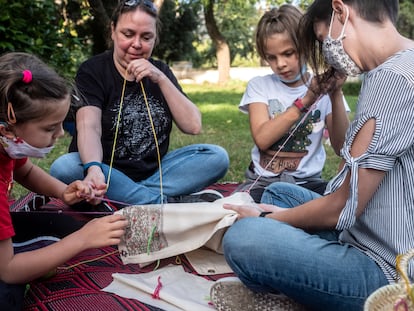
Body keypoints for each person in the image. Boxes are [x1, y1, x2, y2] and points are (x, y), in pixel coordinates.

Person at [211, 0, 414, 310]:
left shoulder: (392, 80)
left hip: (387, 269)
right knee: (279, 192)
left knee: (244, 237)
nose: (328, 50)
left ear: (341, 11)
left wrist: (269, 218)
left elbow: (343, 205)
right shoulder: (396, 66)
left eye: (323, 40)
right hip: (367, 227)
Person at [50, 0, 229, 206]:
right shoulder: (93, 71)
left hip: (155, 175)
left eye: (146, 37)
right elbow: (88, 127)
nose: (136, 44)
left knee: (216, 156)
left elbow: (193, 126)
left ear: (155, 39)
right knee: (65, 167)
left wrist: (160, 79)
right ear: (113, 31)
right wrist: (93, 169)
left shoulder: (161, 71)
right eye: (128, 34)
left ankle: (131, 199)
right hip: (105, 173)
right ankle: (163, 203)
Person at [0, 52, 128, 311]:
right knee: (8, 295)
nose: (59, 134)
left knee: (60, 227)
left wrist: (64, 191)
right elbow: (8, 270)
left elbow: (24, 172)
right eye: (50, 128)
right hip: (6, 269)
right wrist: (84, 239)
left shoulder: (7, 147)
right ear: (8, 129)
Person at [234, 4, 349, 202]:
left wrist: (335, 94)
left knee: (340, 204)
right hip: (263, 183)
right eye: (272, 57)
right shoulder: (259, 86)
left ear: (305, 46)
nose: (281, 64)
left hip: (308, 183)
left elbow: (342, 148)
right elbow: (262, 139)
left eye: (288, 53)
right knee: (243, 211)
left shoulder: (325, 88)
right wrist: (306, 100)